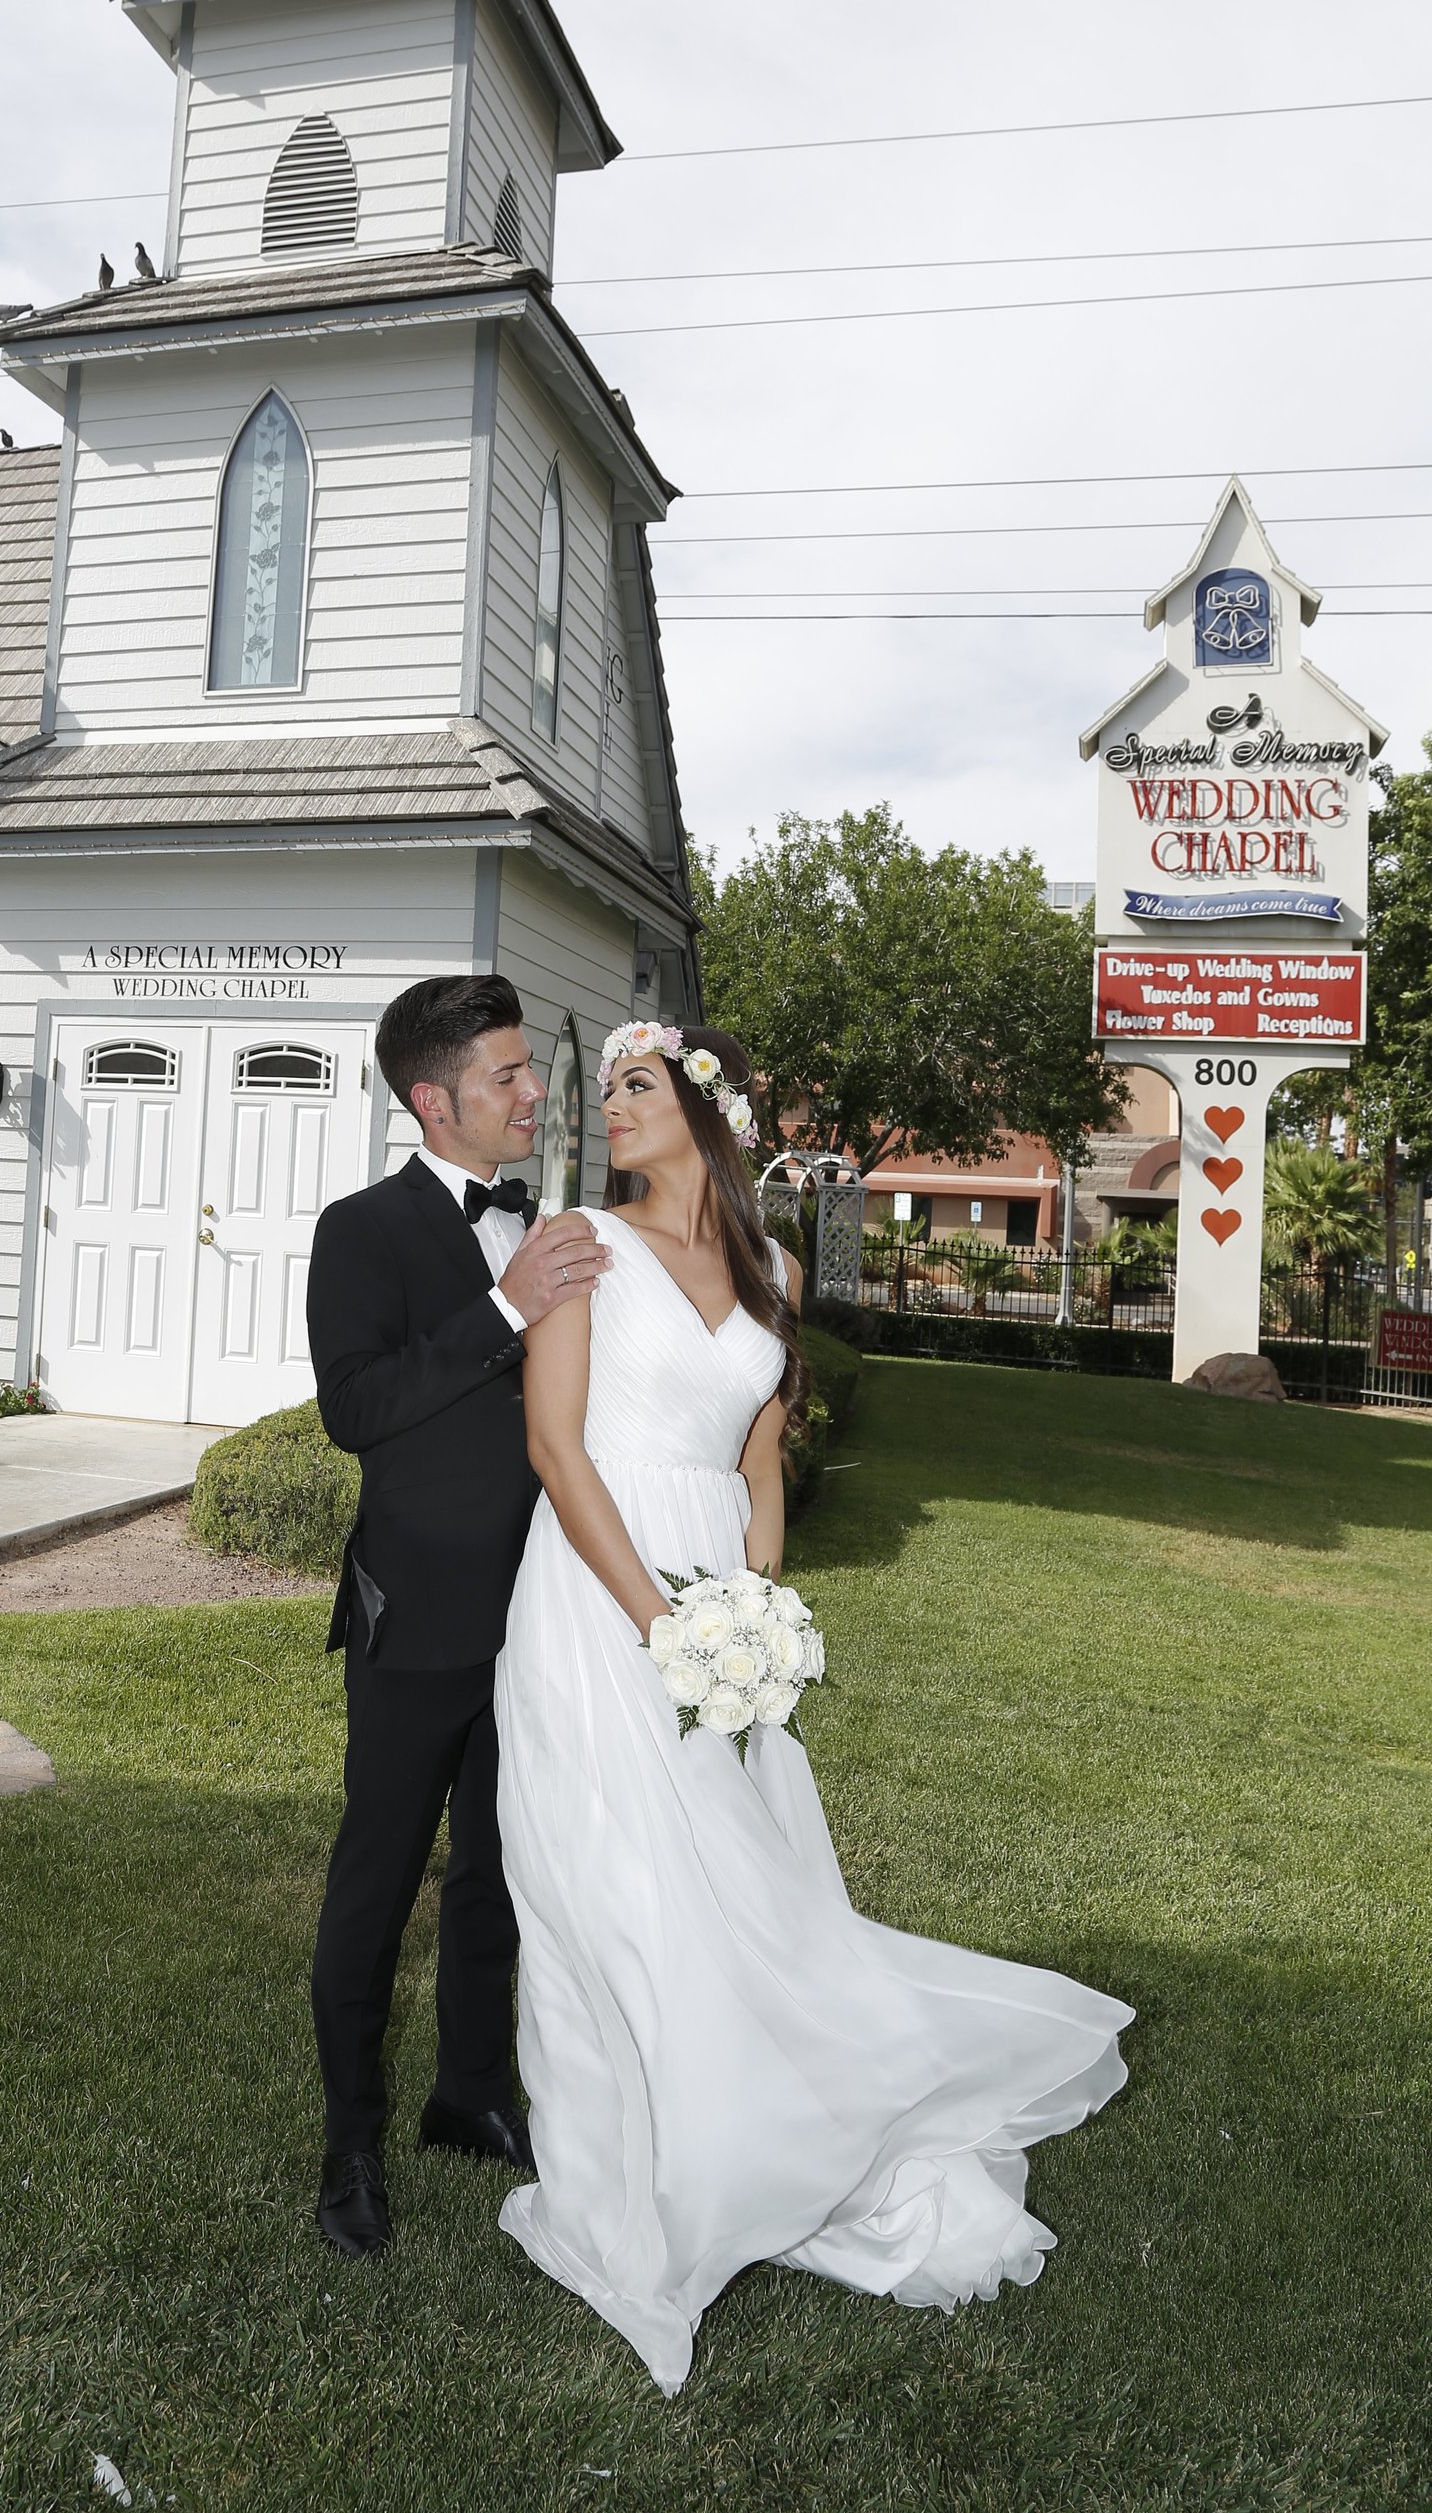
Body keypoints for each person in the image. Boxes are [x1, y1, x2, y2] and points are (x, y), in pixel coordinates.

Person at [493, 1020, 1133, 2393]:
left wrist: (755, 1615)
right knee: (608, 1878)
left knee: (746, 1882)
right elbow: (554, 1447)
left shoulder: (777, 1271)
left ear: (710, 1115)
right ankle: (632, 2165)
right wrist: (660, 1619)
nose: (611, 1105)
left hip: (718, 1604)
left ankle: (759, 2122)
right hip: (598, 1592)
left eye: (639, 1085)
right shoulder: (580, 1250)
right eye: (604, 1087)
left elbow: (763, 1465)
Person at [304, 974, 611, 2259]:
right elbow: (356, 1410)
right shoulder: (362, 1231)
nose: (535, 1092)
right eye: (507, 1075)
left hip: (542, 1615)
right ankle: (349, 2146)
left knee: (500, 1869)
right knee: (379, 1880)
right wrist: (503, 1309)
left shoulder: (551, 1223)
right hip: (418, 1614)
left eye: (531, 1069)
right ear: (435, 1102)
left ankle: (471, 2092)